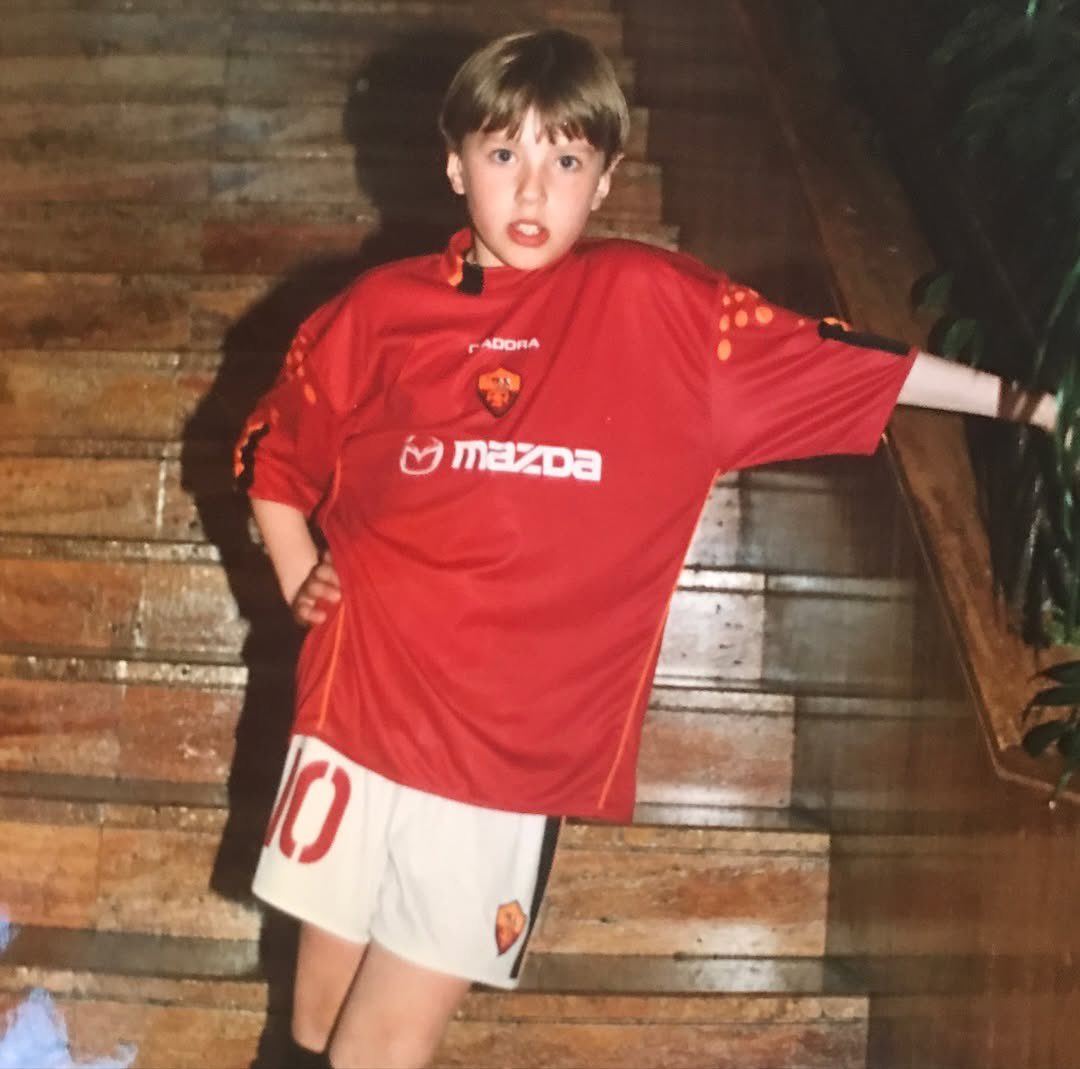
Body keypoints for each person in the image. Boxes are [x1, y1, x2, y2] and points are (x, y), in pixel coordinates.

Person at [233, 27, 1056, 1069]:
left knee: (380, 1044)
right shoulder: (377, 312)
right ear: (453, 165)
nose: (532, 188)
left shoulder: (655, 309)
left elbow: (852, 365)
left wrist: (1037, 407)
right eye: (503, 155)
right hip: (357, 704)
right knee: (311, 1022)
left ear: (608, 177)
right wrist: (298, 568)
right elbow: (277, 462)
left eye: (565, 160)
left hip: (502, 749)